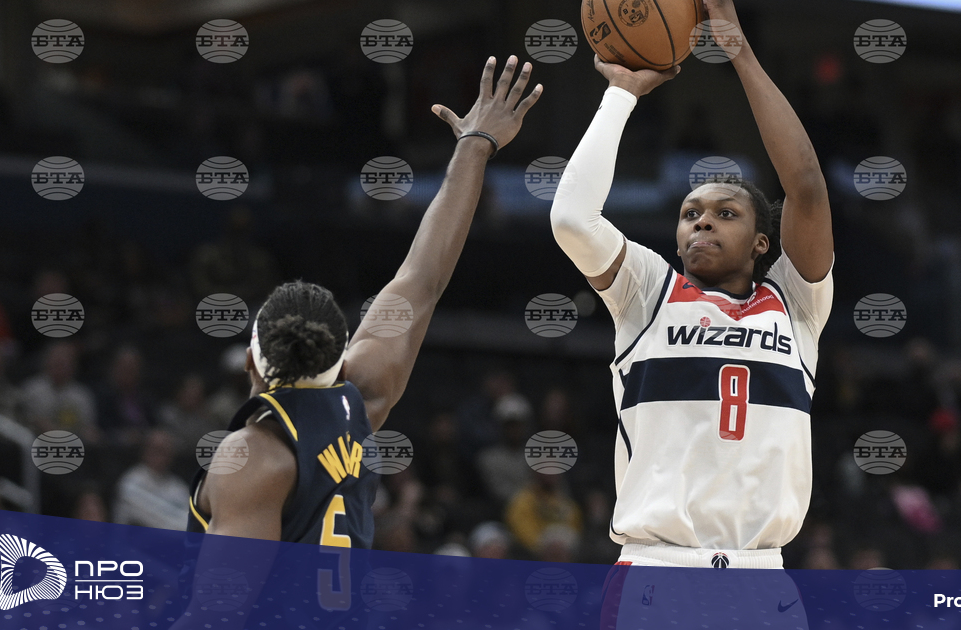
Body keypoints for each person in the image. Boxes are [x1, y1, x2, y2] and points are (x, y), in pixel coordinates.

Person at [186, 56, 542, 547]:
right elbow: (423, 277)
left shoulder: (250, 458)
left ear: (251, 359)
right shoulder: (359, 403)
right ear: (340, 360)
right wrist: (474, 146)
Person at [550, 0, 833, 580]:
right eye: (690, 213)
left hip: (763, 574)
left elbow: (805, 186)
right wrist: (621, 94)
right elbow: (572, 219)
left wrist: (739, 51)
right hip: (657, 566)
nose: (702, 221)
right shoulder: (648, 292)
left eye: (726, 213)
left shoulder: (795, 304)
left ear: (761, 243)